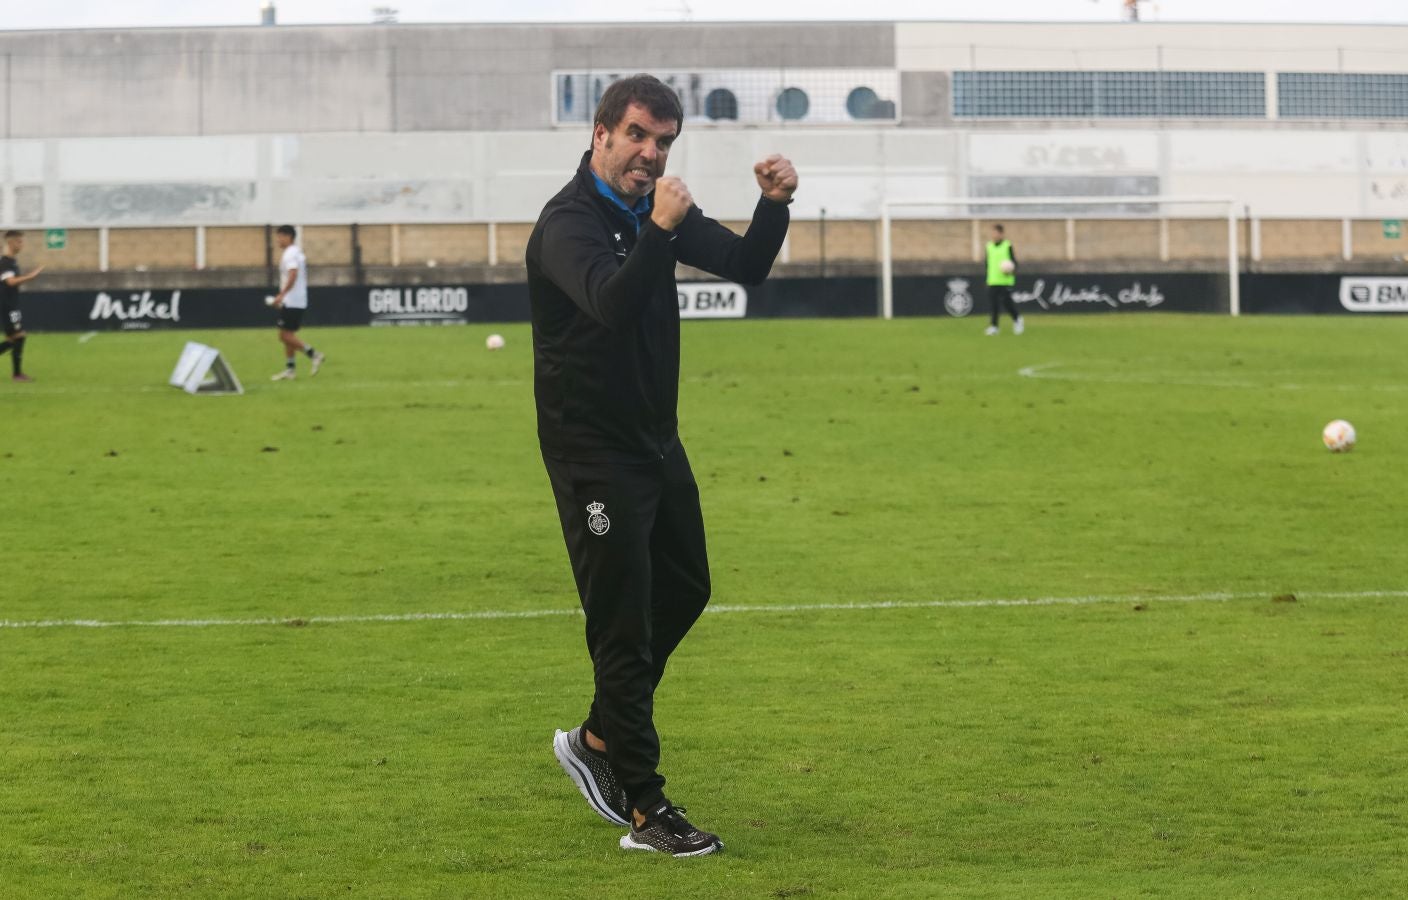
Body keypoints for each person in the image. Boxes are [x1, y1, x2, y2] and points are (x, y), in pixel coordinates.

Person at [526, 74, 796, 858]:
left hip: (654, 442)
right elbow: (610, 303)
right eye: (640, 135)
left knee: (686, 587)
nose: (652, 153)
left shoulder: (656, 213)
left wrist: (773, 205)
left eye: (666, 142)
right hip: (592, 456)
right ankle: (647, 812)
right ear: (602, 133)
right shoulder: (566, 225)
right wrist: (661, 231)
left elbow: (747, 264)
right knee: (621, 630)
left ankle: (598, 737)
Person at [269, 225, 325, 380]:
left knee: (284, 336)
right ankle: (290, 369)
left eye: (280, 236)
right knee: (288, 334)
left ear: (288, 237)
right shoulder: (297, 252)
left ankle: (314, 354)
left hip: (292, 300)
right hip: (297, 299)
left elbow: (292, 274)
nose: (278, 240)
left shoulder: (290, 254)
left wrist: (281, 295)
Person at [0, 230, 44, 383]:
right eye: (19, 241)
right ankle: (17, 375)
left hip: (12, 306)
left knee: (14, 339)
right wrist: (30, 276)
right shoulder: (5, 262)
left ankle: (17, 374)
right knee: (19, 336)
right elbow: (10, 282)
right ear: (11, 243)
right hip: (7, 306)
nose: (22, 244)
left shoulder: (12, 261)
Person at [984, 223, 1024, 336]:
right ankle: (994, 326)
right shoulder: (989, 246)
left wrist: (1011, 269)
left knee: (1007, 303)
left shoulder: (1007, 245)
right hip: (992, 280)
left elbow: (1014, 262)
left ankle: (1017, 320)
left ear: (1001, 234)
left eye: (996, 232)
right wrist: (987, 278)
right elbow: (987, 263)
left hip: (1005, 280)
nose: (994, 235)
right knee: (993, 304)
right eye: (993, 232)